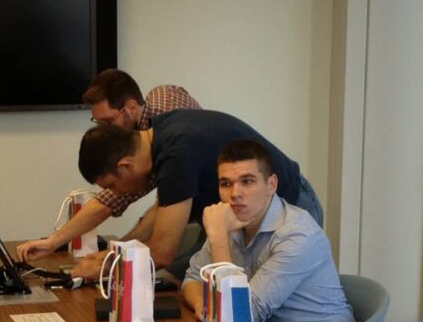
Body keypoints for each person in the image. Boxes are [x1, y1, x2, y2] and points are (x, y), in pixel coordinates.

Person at [34, 108, 326, 282]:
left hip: (287, 208)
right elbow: (163, 210)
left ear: (125, 166)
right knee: (184, 278)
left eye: (111, 186)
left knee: (253, 306)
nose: (116, 194)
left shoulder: (177, 154)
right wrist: (116, 252)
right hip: (236, 219)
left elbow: (161, 252)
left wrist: (101, 268)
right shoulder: (160, 133)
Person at [179, 139, 354, 322]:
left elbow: (238, 319)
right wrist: (204, 306)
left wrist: (218, 238)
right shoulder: (231, 220)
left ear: (271, 185)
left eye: (247, 181)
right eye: (226, 184)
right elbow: (192, 279)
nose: (235, 194)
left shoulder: (297, 235)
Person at [17, 69, 199, 270]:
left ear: (131, 108)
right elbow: (112, 198)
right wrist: (54, 242)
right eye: (98, 123)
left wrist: (107, 264)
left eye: (108, 122)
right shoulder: (152, 113)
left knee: (177, 272)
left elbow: (161, 251)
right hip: (192, 199)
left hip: (214, 210)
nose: (105, 131)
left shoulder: (169, 144)